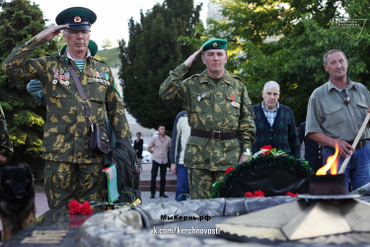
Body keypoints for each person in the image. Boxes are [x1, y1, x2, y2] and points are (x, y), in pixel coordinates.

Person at [2, 7, 131, 210]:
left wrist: (125, 147)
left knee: (93, 211)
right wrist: (38, 39)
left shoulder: (103, 69)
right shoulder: (49, 66)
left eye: (83, 32)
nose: (79, 37)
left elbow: (116, 110)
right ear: (64, 35)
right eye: (73, 32)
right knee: (60, 215)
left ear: (89, 34)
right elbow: (10, 68)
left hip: (93, 157)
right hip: (58, 157)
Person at [159, 38, 256, 199]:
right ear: (203, 59)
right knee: (200, 209)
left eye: (219, 54)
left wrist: (246, 152)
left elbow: (247, 121)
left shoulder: (237, 86)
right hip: (199, 160)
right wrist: (185, 66)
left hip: (229, 158)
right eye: (210, 54)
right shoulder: (192, 84)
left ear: (226, 58)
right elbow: (165, 93)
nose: (215, 58)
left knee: (227, 207)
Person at [306, 49, 370, 191]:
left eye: (341, 61)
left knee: (366, 200)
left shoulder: (362, 90)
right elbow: (311, 131)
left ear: (346, 63)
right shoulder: (318, 95)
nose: (338, 65)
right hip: (335, 156)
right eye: (333, 63)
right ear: (326, 67)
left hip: (364, 154)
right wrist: (336, 143)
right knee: (337, 201)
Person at [252, 81, 300, 158]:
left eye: (275, 94)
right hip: (258, 162)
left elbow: (294, 140)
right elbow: (245, 138)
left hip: (283, 162)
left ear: (279, 95)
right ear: (263, 94)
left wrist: (297, 163)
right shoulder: (252, 112)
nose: (272, 97)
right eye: (269, 93)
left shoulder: (287, 112)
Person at [170, 110, 190, 201]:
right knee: (181, 190)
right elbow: (175, 140)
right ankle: (180, 214)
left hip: (200, 163)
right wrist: (173, 162)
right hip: (183, 162)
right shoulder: (181, 116)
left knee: (198, 193)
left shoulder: (206, 113)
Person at [148, 124, 171, 198]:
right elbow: (149, 148)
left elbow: (169, 148)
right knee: (153, 176)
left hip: (164, 160)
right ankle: (152, 192)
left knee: (163, 177)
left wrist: (164, 153)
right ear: (158, 131)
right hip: (156, 159)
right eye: (161, 129)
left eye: (164, 129)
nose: (163, 130)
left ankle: (162, 193)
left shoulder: (168, 139)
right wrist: (155, 153)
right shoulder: (154, 139)